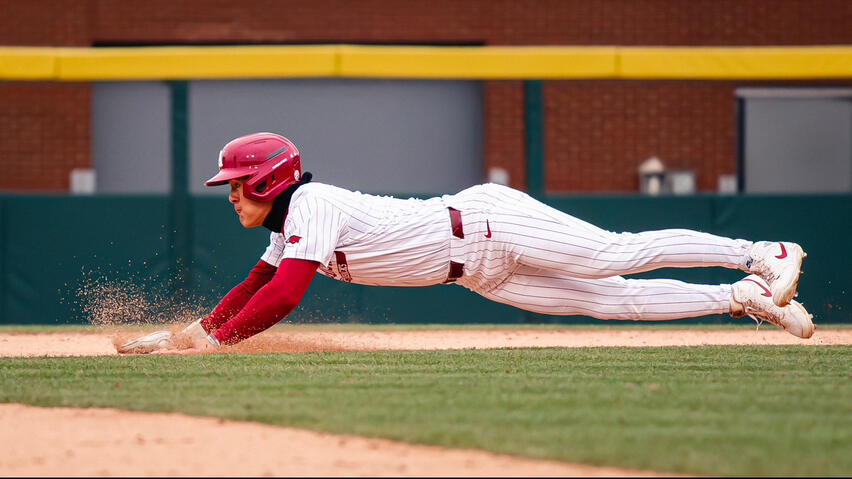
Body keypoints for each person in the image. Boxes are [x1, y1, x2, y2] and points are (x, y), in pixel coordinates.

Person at [118, 132, 814, 354]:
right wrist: (188, 334)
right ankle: (743, 298)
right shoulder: (292, 221)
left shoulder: (313, 203)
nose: (230, 194)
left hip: (485, 224)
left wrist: (214, 345)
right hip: (477, 273)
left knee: (614, 255)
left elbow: (287, 295)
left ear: (269, 180)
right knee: (615, 304)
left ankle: (761, 252)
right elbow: (255, 285)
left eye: (237, 184)